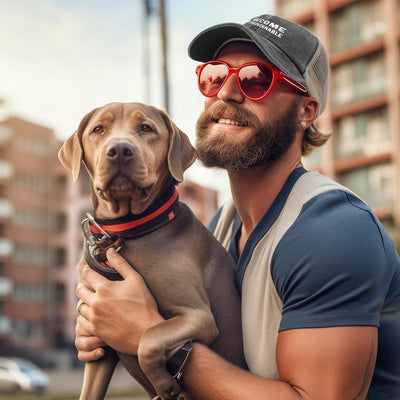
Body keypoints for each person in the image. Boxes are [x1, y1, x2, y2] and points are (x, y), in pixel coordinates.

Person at [75, 13, 400, 399]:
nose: (227, 92)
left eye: (256, 79)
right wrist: (107, 326)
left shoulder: (333, 231)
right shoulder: (219, 228)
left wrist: (149, 335)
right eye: (214, 76)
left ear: (306, 111)